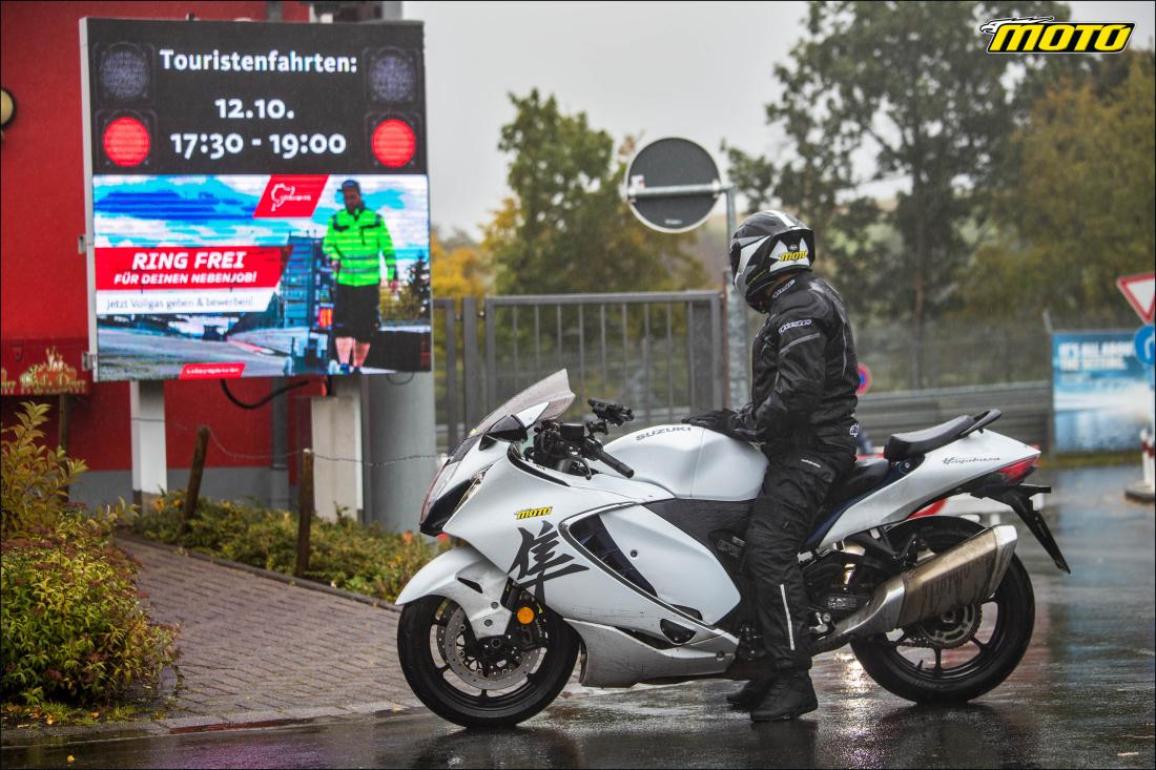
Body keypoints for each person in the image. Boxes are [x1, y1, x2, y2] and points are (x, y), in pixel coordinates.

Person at [684, 210, 860, 723]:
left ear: (761, 257)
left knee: (767, 549)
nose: (738, 269)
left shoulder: (801, 305)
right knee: (739, 545)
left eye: (739, 258)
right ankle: (762, 669)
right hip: (804, 445)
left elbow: (798, 393)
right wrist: (738, 422)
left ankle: (792, 677)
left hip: (813, 450)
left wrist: (748, 422)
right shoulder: (800, 298)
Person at [322, 179, 398, 374]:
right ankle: (344, 365)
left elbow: (387, 248)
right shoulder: (336, 220)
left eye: (352, 196)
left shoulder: (375, 220)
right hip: (345, 281)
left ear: (359, 195)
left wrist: (392, 273)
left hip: (368, 283)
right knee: (342, 325)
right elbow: (328, 245)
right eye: (346, 197)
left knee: (365, 328)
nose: (349, 200)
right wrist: (335, 257)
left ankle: (358, 366)